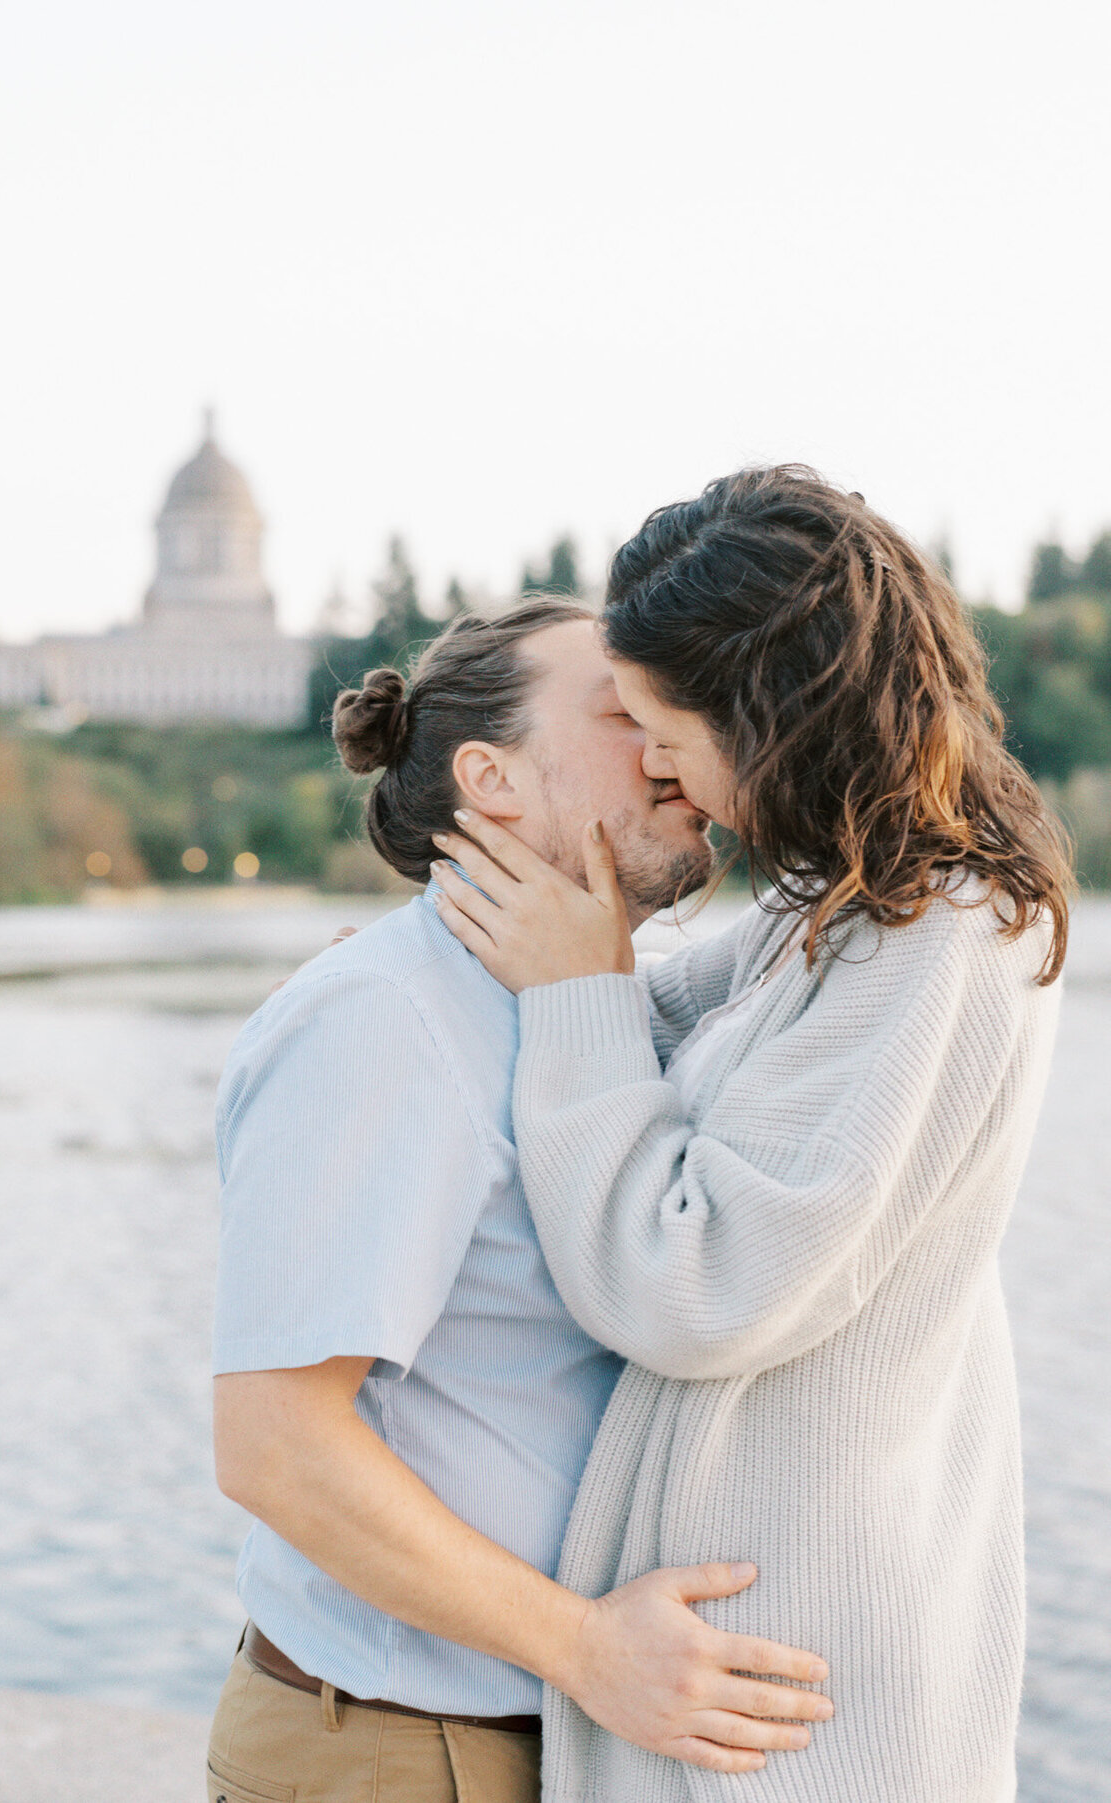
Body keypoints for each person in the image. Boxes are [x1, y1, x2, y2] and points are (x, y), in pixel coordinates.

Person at [431, 467, 1071, 1803]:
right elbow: (649, 1023)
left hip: (799, 1702)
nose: (654, 760)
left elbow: (697, 1282)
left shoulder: (936, 933)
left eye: (665, 724)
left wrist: (573, 992)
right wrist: (427, 987)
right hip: (746, 1668)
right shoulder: (832, 907)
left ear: (767, 715)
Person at [208, 596, 832, 1803]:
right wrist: (587, 1648)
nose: (668, 746)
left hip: (542, 1734)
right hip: (402, 1749)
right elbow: (276, 1445)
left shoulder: (573, 1005)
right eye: (622, 713)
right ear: (489, 778)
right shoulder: (383, 1019)